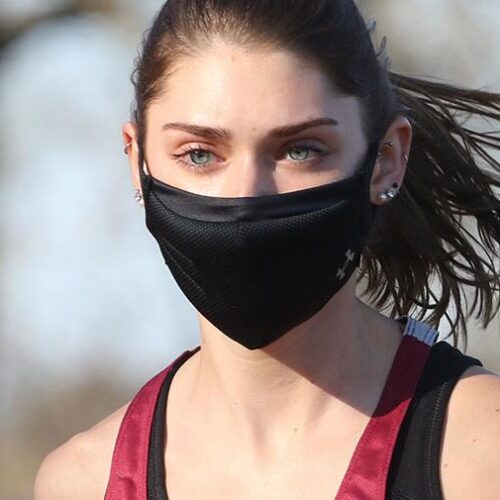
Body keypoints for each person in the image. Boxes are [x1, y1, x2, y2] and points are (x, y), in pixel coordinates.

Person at [34, 0, 500, 498]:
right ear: (137, 163)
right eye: (199, 154)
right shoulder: (82, 481)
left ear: (386, 159)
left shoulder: (478, 454)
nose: (246, 197)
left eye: (300, 150)